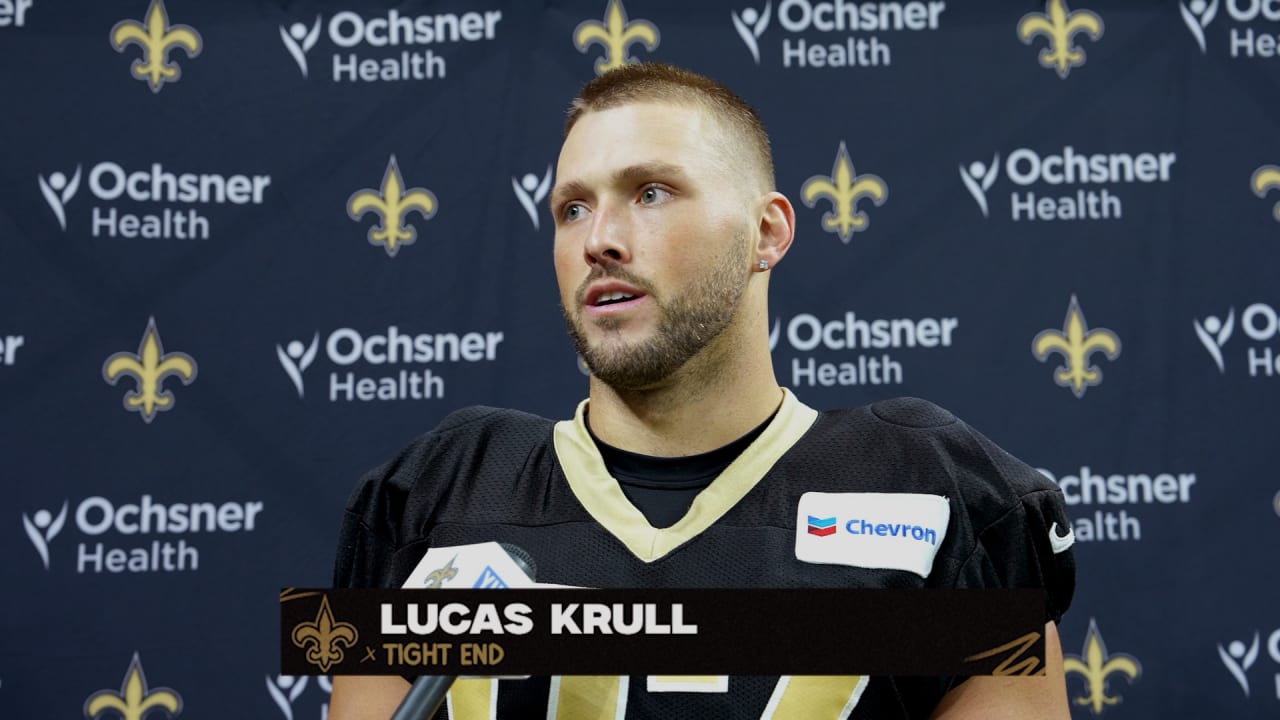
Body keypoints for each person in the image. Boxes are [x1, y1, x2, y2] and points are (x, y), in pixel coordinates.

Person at [330, 63, 1075, 719]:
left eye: (651, 193)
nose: (600, 239)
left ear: (768, 232)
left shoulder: (939, 501)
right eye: (572, 208)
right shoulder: (435, 498)